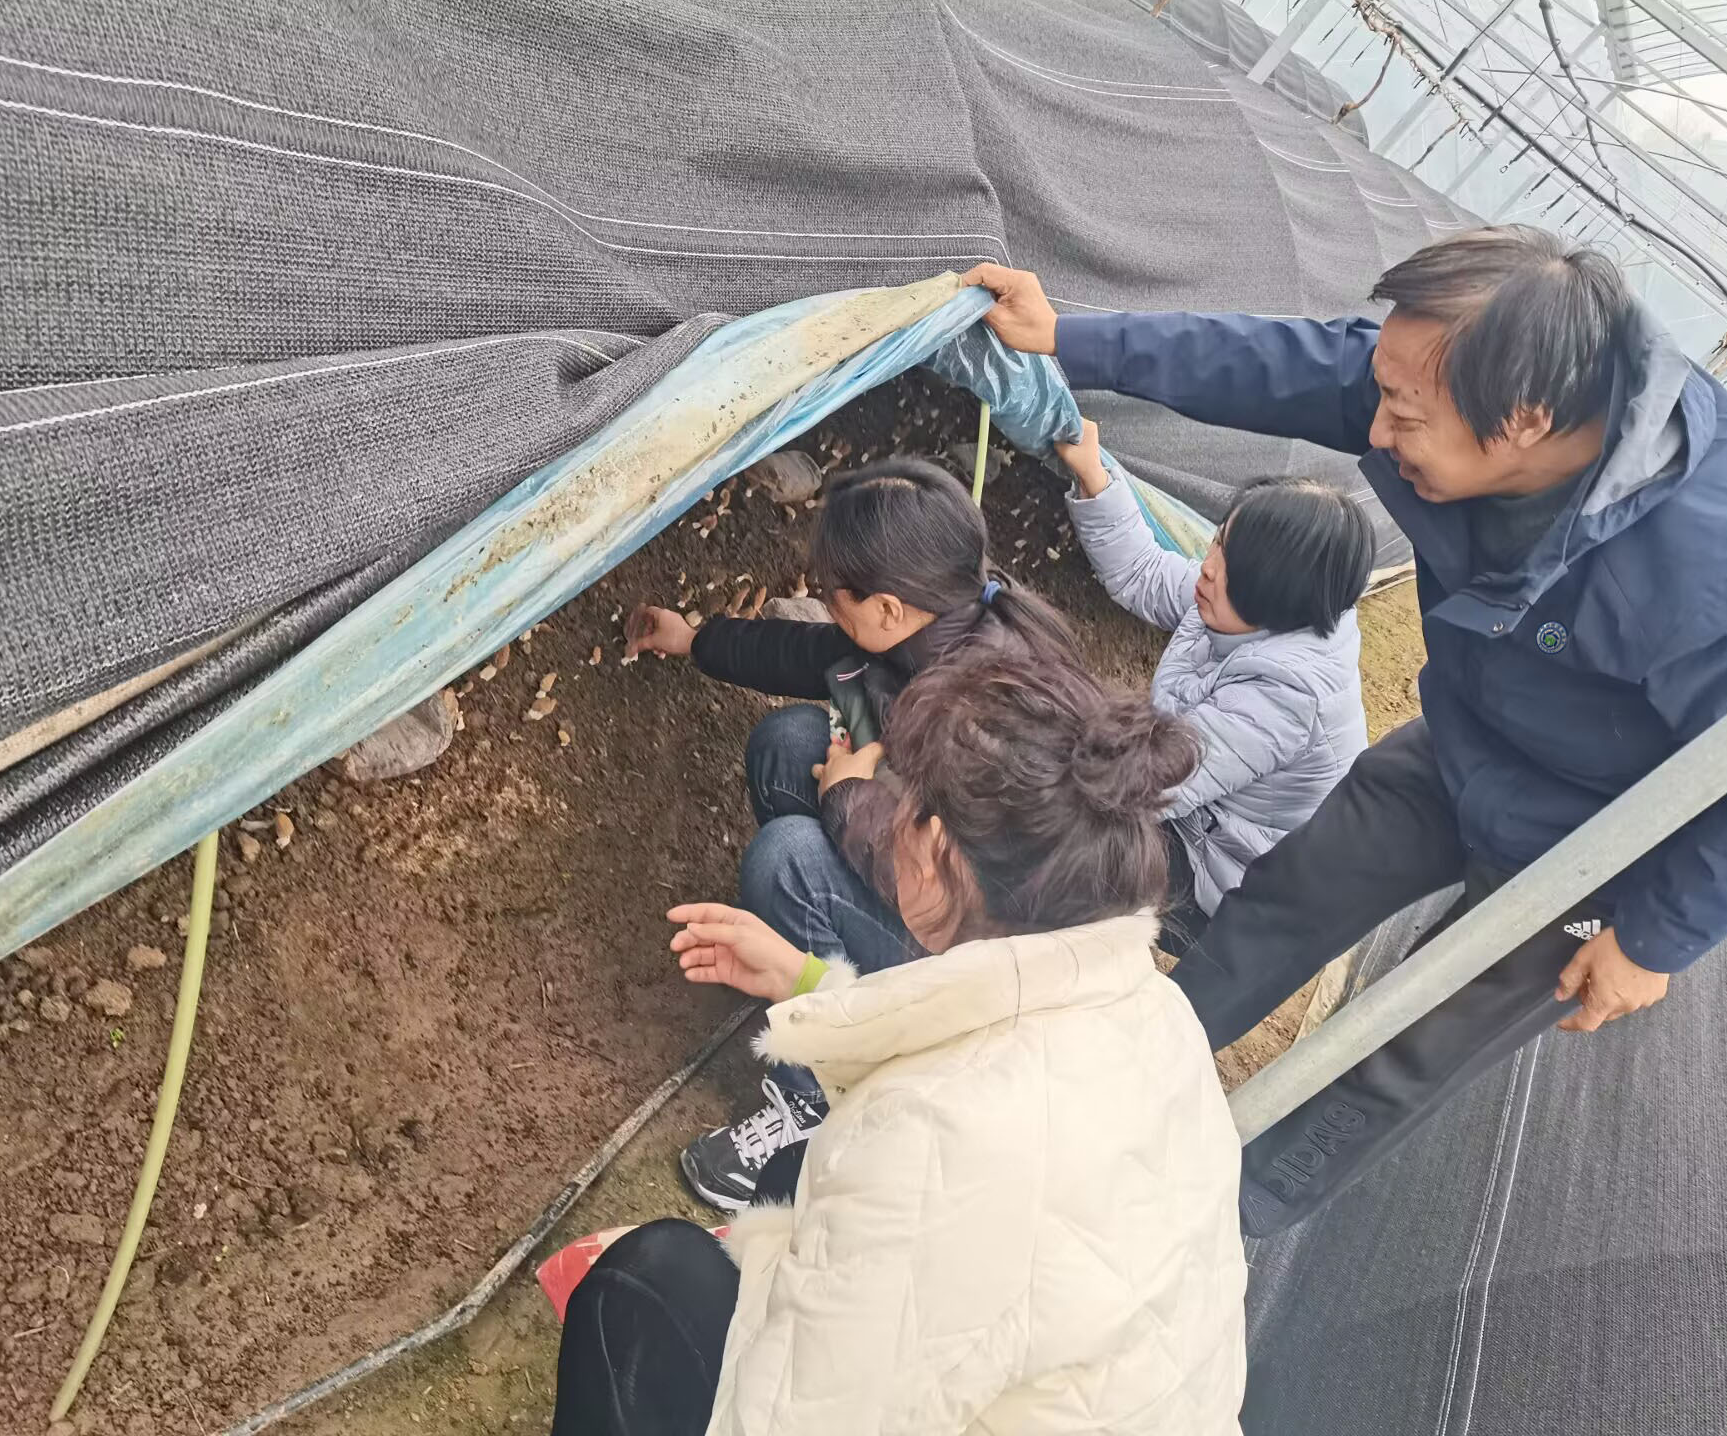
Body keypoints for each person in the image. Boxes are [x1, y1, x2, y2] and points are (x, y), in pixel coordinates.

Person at [963, 224, 1727, 1234]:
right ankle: (1098, 1088)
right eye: (1383, 394)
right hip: (1465, 746)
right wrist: (1069, 338)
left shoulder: (1715, 572)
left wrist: (1655, 937)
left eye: (1403, 415)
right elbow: (1279, 363)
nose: (1376, 431)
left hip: (1595, 853)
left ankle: (1212, 1223)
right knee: (1285, 898)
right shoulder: (1455, 380)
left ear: (1524, 422)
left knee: (1410, 1038)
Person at [548, 653, 1247, 1436]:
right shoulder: (1156, 1011)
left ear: (935, 843)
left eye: (898, 797)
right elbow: (972, 1064)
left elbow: (797, 1419)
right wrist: (807, 984)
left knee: (643, 1283)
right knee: (793, 1173)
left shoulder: (931, 1141)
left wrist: (756, 1282)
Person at [624, 457, 1078, 1211]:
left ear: (889, 608)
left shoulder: (984, 716)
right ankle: (811, 965)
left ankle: (817, 1099)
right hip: (933, 876)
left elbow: (942, 896)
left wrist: (847, 797)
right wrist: (697, 640)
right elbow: (817, 657)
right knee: (788, 743)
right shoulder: (945, 618)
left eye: (837, 599)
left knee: (786, 862)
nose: (829, 611)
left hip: (976, 975)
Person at [1052, 422, 1373, 950]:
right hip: (1198, 810)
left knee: (1073, 847)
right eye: (1220, 541)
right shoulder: (1256, 600)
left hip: (1227, 881)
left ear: (1278, 592)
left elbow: (1144, 789)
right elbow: (1144, 573)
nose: (1207, 569)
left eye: (1231, 565)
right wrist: (1094, 475)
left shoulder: (1285, 694)